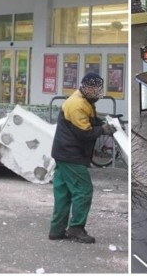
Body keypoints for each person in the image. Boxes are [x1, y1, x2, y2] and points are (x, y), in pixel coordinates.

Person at [49, 73, 115, 244]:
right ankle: (76, 228)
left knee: (63, 193)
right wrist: (103, 130)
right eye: (94, 89)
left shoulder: (83, 101)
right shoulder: (77, 104)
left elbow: (90, 120)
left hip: (63, 153)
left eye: (98, 89)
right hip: (71, 154)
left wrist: (100, 123)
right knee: (83, 191)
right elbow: (84, 133)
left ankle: (56, 230)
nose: (97, 92)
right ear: (86, 87)